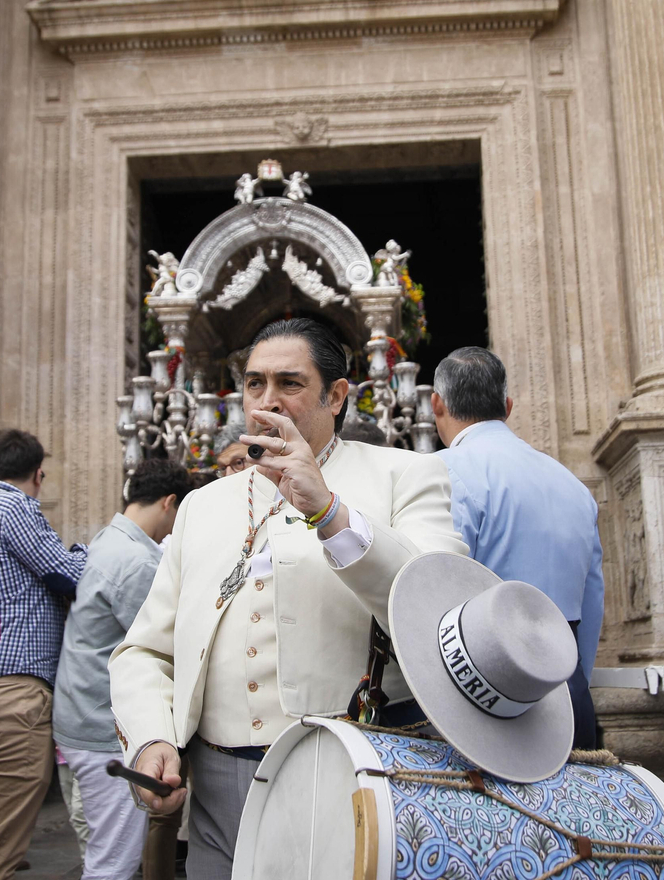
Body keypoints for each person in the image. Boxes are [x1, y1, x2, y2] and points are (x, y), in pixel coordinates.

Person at [109, 318, 465, 880]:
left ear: (337, 396)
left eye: (290, 384)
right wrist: (152, 737)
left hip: (353, 774)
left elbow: (438, 614)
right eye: (254, 385)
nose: (266, 402)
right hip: (218, 789)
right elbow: (146, 652)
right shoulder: (204, 505)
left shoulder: (407, 475)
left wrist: (329, 512)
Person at [431, 346, 606, 749]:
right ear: (507, 406)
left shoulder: (443, 472)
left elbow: (438, 585)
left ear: (436, 404)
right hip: (566, 685)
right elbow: (592, 600)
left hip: (481, 692)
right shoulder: (573, 486)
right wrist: (575, 684)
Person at [55, 459, 195, 880]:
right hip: (101, 727)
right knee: (112, 864)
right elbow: (163, 648)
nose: (173, 531)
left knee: (102, 850)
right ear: (170, 503)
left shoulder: (107, 539)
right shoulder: (137, 561)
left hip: (78, 715)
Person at [0, 429, 87, 880]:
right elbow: (67, 573)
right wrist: (95, 552)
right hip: (10, 696)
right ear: (39, 475)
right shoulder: (12, 506)